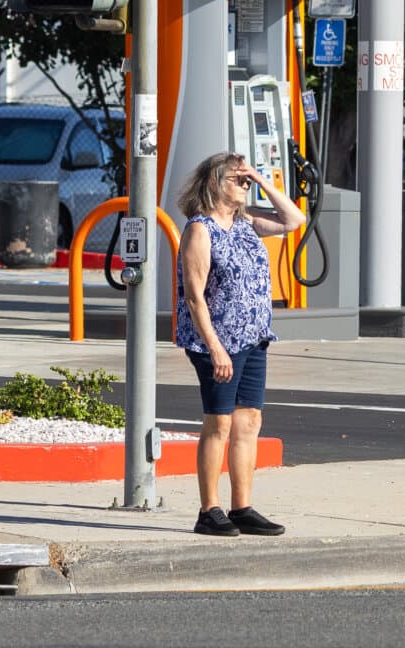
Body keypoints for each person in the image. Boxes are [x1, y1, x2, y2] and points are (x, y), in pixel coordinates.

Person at [174, 152, 306, 537]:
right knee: (219, 422)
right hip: (218, 342)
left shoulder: (245, 224)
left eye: (246, 181)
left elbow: (295, 221)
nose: (244, 186)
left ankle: (241, 507)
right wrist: (214, 347)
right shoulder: (201, 230)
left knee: (249, 422)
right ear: (214, 183)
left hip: (253, 336)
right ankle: (208, 509)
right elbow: (194, 296)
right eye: (238, 179)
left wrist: (261, 178)